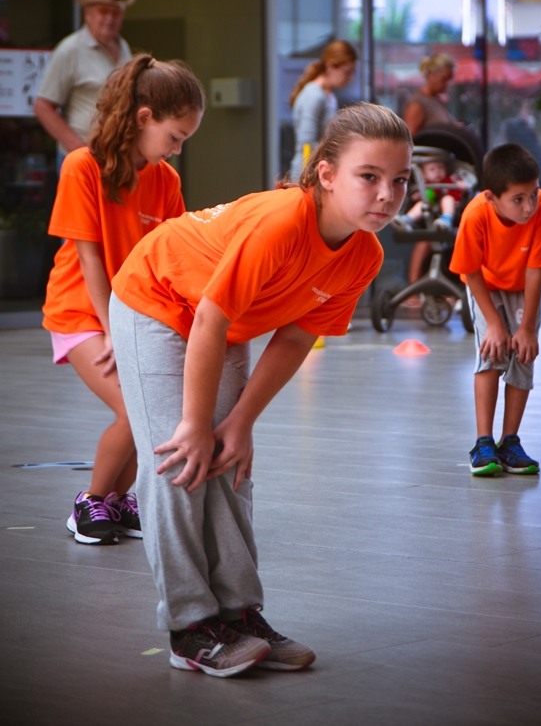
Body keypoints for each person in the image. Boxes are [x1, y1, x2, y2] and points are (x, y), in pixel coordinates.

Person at [108, 103, 412, 677]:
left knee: (228, 460)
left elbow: (295, 340)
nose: (386, 194)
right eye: (368, 177)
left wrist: (239, 423)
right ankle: (189, 627)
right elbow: (207, 323)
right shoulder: (281, 225)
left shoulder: (363, 256)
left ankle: (239, 614)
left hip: (220, 322)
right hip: (158, 298)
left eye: (399, 180)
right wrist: (196, 422)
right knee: (179, 459)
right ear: (326, 174)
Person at [42, 54, 204, 545]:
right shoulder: (82, 167)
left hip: (131, 312)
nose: (176, 151)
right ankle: (90, 502)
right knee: (135, 412)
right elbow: (90, 259)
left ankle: (117, 502)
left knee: (153, 411)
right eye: (174, 138)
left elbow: (174, 256)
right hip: (81, 311)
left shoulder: (166, 181)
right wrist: (113, 328)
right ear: (143, 118)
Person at [449, 144, 541, 476]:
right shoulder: (475, 215)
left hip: (525, 284)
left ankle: (509, 442)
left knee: (523, 354)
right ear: (491, 197)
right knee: (491, 351)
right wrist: (496, 325)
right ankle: (483, 443)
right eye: (518, 199)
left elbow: (535, 269)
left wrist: (526, 329)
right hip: (485, 285)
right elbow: (470, 272)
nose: (529, 206)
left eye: (534, 192)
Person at [34, 0, 136, 161]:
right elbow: (43, 106)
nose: (110, 18)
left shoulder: (124, 47)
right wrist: (80, 150)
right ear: (88, 13)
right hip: (81, 158)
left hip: (117, 157)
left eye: (116, 12)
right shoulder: (69, 50)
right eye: (103, 11)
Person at [288, 40, 358, 179]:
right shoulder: (313, 95)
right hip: (307, 174)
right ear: (330, 66)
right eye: (347, 72)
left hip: (320, 172)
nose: (350, 78)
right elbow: (306, 143)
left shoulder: (329, 95)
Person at [396, 155, 468, 287]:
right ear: (423, 174)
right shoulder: (425, 186)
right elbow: (414, 195)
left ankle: (446, 218)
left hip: (449, 215)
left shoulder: (451, 181)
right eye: (432, 169)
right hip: (428, 216)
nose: (437, 172)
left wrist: (462, 186)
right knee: (423, 203)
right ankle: (407, 220)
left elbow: (465, 185)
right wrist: (416, 195)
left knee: (448, 199)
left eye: (440, 168)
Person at [403, 53, 459, 136]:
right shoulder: (417, 104)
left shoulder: (436, 99)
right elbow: (409, 139)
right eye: (444, 79)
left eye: (450, 80)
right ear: (430, 74)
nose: (448, 84)